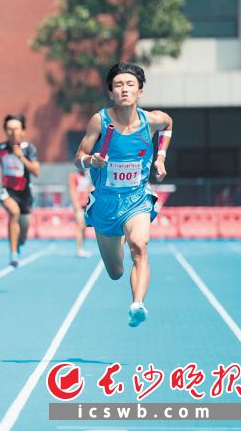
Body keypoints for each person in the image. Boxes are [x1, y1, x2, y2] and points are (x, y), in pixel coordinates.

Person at [74, 61, 172, 328]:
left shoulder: (151, 120)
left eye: (130, 84)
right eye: (118, 85)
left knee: (139, 246)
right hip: (105, 204)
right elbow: (77, 158)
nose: (124, 89)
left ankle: (137, 304)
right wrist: (91, 161)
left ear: (140, 91)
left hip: (136, 200)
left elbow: (168, 124)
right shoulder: (100, 121)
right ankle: (116, 238)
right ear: (111, 93)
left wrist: (160, 158)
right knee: (116, 272)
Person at [0, 114, 40, 267]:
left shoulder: (29, 149)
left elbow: (36, 171)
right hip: (7, 192)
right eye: (9, 129)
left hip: (24, 194)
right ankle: (13, 254)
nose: (13, 132)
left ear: (23, 131)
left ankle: (17, 245)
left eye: (16, 129)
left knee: (23, 235)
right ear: (5, 131)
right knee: (13, 212)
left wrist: (21, 158)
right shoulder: (0, 148)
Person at [68, 167, 93, 258]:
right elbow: (72, 190)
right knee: (80, 225)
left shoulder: (88, 175)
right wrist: (76, 205)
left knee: (84, 227)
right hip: (79, 205)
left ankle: (82, 247)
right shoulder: (74, 176)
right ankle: (79, 249)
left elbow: (91, 188)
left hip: (87, 203)